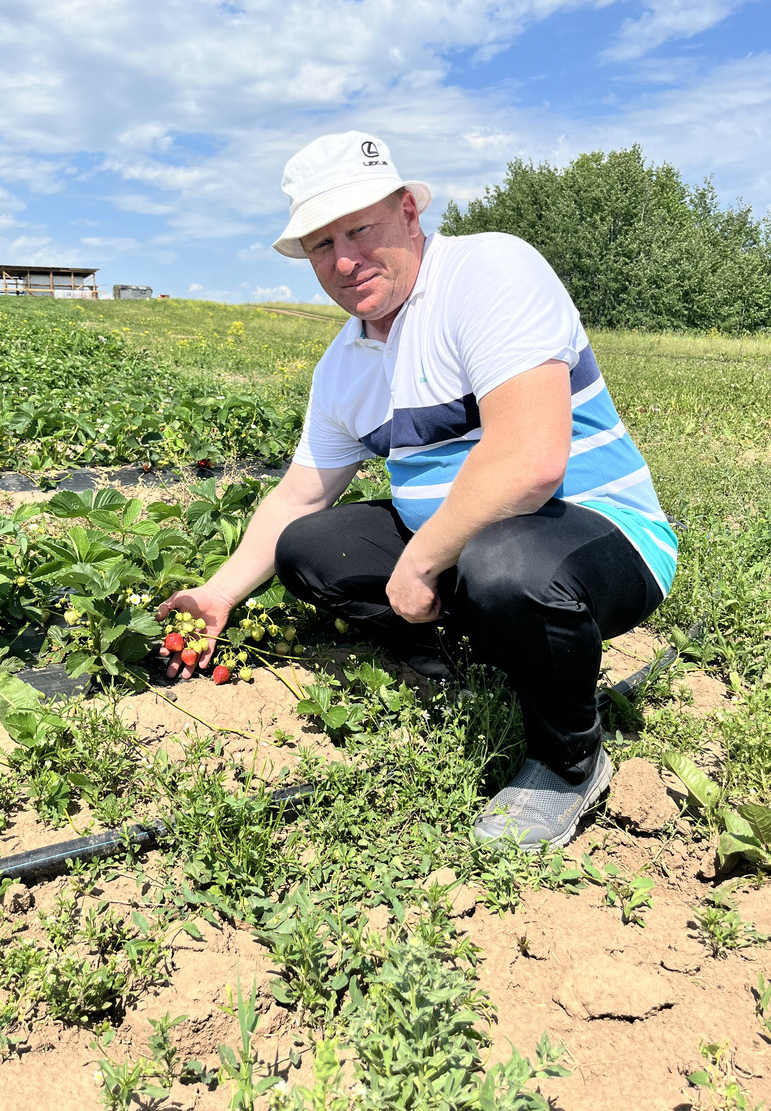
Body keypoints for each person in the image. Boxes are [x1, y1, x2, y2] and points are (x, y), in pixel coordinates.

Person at [157, 130, 677, 851]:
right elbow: (298, 498)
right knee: (309, 547)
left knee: (507, 566)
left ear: (408, 211)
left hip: (599, 534)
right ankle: (460, 663)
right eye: (319, 245)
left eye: (359, 228)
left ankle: (567, 763)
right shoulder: (344, 365)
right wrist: (218, 594)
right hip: (466, 547)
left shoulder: (489, 272)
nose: (344, 260)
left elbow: (529, 463)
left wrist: (421, 561)